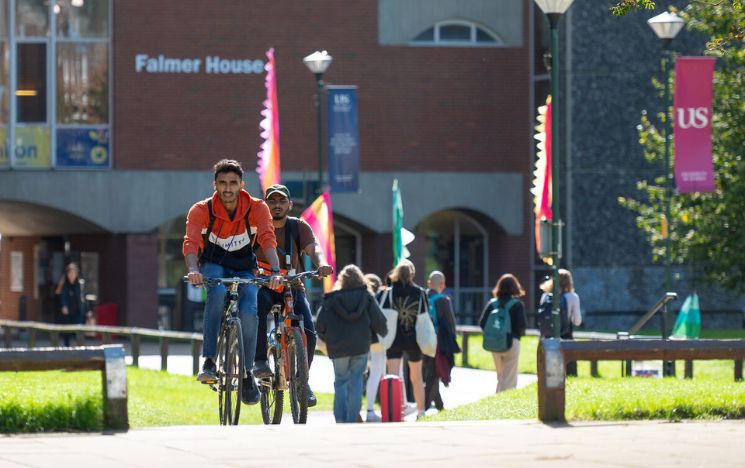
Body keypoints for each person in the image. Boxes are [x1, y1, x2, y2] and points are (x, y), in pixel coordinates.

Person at [183, 159, 283, 406]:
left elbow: (267, 238)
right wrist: (194, 270)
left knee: (250, 310)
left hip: (244, 267)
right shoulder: (201, 210)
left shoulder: (257, 208)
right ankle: (209, 361)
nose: (227, 188)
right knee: (215, 293)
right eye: (222, 183)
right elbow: (191, 242)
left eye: (233, 183)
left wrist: (276, 270)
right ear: (214, 184)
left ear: (241, 185)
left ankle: (247, 373)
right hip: (213, 265)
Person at [251, 184, 333, 407]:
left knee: (309, 332)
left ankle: (301, 380)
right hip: (265, 287)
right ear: (265, 204)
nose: (277, 205)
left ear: (290, 204)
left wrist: (322, 264)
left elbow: (313, 248)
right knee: (256, 313)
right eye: (272, 201)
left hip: (292, 287)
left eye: (281, 201)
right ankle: (260, 361)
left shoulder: (298, 227)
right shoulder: (256, 228)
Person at [316, 265, 387, 423]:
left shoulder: (331, 299)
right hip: (360, 346)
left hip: (338, 347)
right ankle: (351, 420)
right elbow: (380, 321)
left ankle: (340, 419)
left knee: (340, 381)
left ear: (342, 280)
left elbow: (319, 325)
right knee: (356, 381)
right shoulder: (367, 296)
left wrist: (327, 339)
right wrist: (382, 332)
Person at [385, 259, 429, 419]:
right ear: (412, 274)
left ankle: (396, 412)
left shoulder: (389, 292)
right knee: (417, 377)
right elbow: (425, 314)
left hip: (393, 339)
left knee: (393, 377)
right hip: (414, 338)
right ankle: (421, 412)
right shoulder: (420, 292)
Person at [479, 273, 527, 392]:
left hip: (495, 344)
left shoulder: (492, 303)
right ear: (515, 287)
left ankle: (498, 398)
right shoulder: (517, 305)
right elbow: (522, 327)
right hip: (512, 342)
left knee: (500, 376)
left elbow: (482, 323)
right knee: (509, 377)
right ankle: (505, 402)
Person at [423, 271, 460, 411]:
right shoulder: (443, 301)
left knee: (431, 372)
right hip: (437, 342)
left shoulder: (422, 297)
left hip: (421, 340)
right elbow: (450, 324)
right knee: (434, 374)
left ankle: (440, 406)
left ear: (429, 283)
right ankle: (424, 408)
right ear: (442, 284)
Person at [539, 269, 582, 375]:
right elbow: (577, 321)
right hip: (566, 337)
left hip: (548, 338)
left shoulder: (545, 296)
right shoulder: (573, 297)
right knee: (570, 372)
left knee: (550, 373)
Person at [363, 272, 386, 422]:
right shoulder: (379, 297)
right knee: (377, 373)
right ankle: (372, 409)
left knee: (366, 374)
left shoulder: (361, 295)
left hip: (361, 340)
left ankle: (370, 408)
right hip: (376, 340)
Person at [57, 263, 86, 347]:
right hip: (67, 312)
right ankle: (67, 348)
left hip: (78, 311)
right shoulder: (64, 284)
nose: (72, 275)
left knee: (79, 329)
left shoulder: (80, 284)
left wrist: (87, 311)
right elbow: (60, 295)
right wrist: (64, 305)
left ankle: (80, 348)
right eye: (70, 273)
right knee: (67, 332)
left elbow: (83, 297)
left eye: (74, 273)